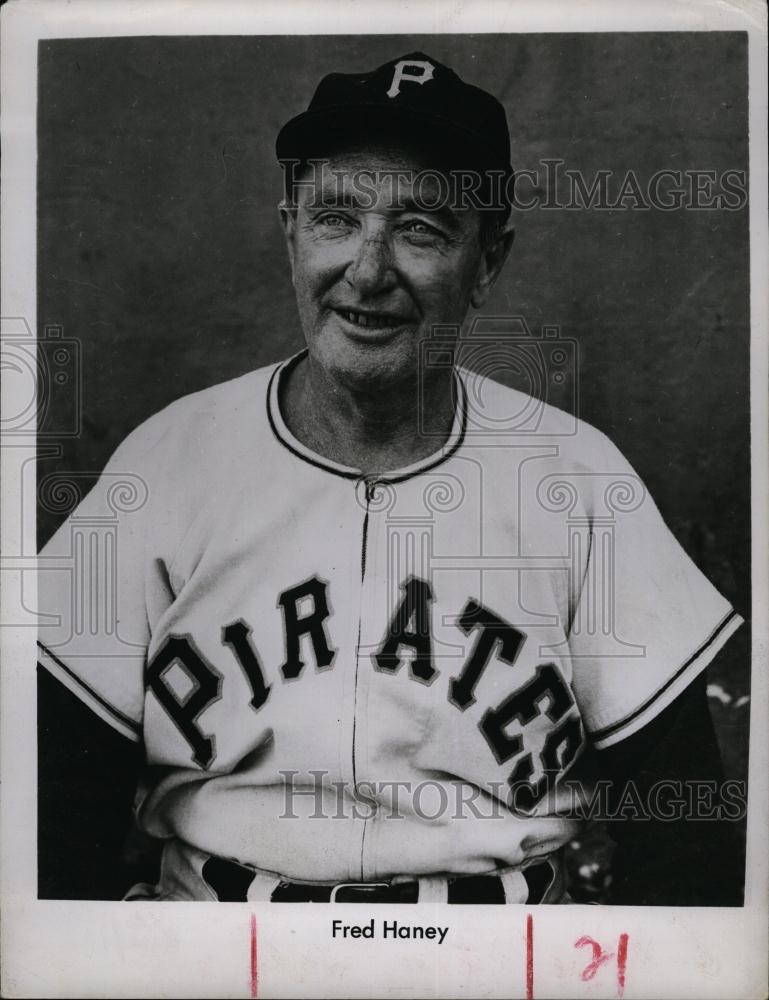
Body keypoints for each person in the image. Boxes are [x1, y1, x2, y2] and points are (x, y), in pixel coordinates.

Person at [37, 51, 744, 905]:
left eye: (421, 229)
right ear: (289, 232)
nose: (367, 272)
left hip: (501, 966)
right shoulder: (166, 464)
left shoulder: (578, 479)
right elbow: (51, 819)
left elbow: (688, 846)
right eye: (335, 219)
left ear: (486, 261)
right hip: (221, 955)